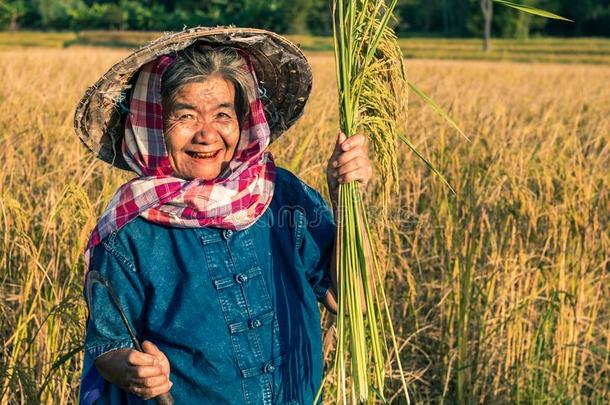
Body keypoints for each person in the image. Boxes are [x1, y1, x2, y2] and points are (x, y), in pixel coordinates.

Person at [76, 27, 372, 405]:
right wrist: (132, 368)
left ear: (243, 120)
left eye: (222, 115)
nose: (207, 135)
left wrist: (348, 201)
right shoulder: (129, 229)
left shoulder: (280, 196)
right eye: (185, 116)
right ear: (152, 124)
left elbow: (350, 299)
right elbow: (108, 345)